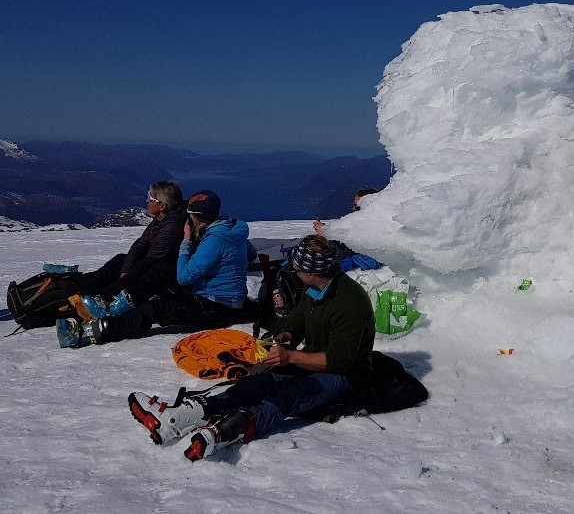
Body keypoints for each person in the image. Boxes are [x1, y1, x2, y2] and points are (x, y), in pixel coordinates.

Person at [127, 234, 376, 460]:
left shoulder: (348, 302)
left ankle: (232, 428)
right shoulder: (312, 288)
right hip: (310, 359)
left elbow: (341, 361)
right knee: (258, 383)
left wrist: (291, 357)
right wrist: (285, 336)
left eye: (298, 268)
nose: (294, 271)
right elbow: (298, 320)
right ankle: (187, 416)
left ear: (312, 272)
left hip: (346, 375)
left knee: (290, 395)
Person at [57, 189, 256, 348]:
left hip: (215, 306)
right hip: (216, 295)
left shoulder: (214, 240)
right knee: (160, 270)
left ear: (197, 216)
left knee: (155, 309)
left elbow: (184, 277)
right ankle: (111, 307)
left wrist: (186, 242)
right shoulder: (231, 230)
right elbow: (250, 254)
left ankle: (90, 333)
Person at [69, 181, 187, 315]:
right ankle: (83, 287)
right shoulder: (162, 219)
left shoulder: (174, 225)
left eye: (150, 198)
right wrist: (125, 269)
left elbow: (153, 258)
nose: (146, 201)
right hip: (153, 263)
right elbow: (139, 245)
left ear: (162, 206)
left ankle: (101, 300)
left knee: (141, 271)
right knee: (121, 260)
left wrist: (125, 278)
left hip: (166, 273)